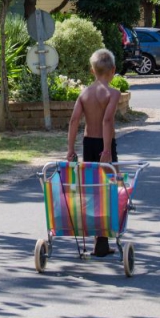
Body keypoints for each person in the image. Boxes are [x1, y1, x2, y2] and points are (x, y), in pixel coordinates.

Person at [66, 48, 120, 257]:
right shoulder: (112, 94)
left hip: (88, 144)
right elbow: (107, 121)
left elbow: (73, 121)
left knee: (92, 188)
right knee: (110, 188)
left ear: (92, 71)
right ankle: (103, 238)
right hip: (106, 145)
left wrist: (70, 149)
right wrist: (107, 149)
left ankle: (99, 239)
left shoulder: (84, 94)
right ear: (113, 70)